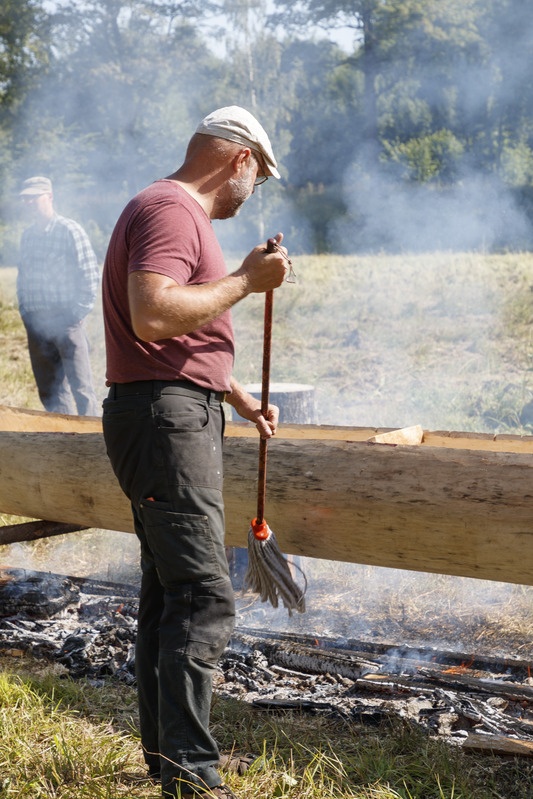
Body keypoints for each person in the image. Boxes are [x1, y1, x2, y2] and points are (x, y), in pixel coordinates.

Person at [101, 106, 288, 799]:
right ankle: (190, 776)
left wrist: (232, 393)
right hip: (164, 419)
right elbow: (152, 313)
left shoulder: (170, 211)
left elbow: (179, 331)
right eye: (259, 176)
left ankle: (169, 761)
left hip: (169, 410)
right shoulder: (173, 210)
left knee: (168, 592)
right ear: (239, 159)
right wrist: (246, 281)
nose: (254, 191)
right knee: (202, 595)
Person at [17, 176, 101, 416]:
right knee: (49, 389)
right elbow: (23, 277)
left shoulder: (69, 230)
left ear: (50, 197)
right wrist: (25, 311)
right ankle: (61, 437)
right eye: (26, 199)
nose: (30, 202)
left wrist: (76, 314)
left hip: (66, 321)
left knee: (81, 387)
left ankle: (89, 440)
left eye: (35, 197)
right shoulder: (28, 236)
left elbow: (90, 273)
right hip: (35, 322)